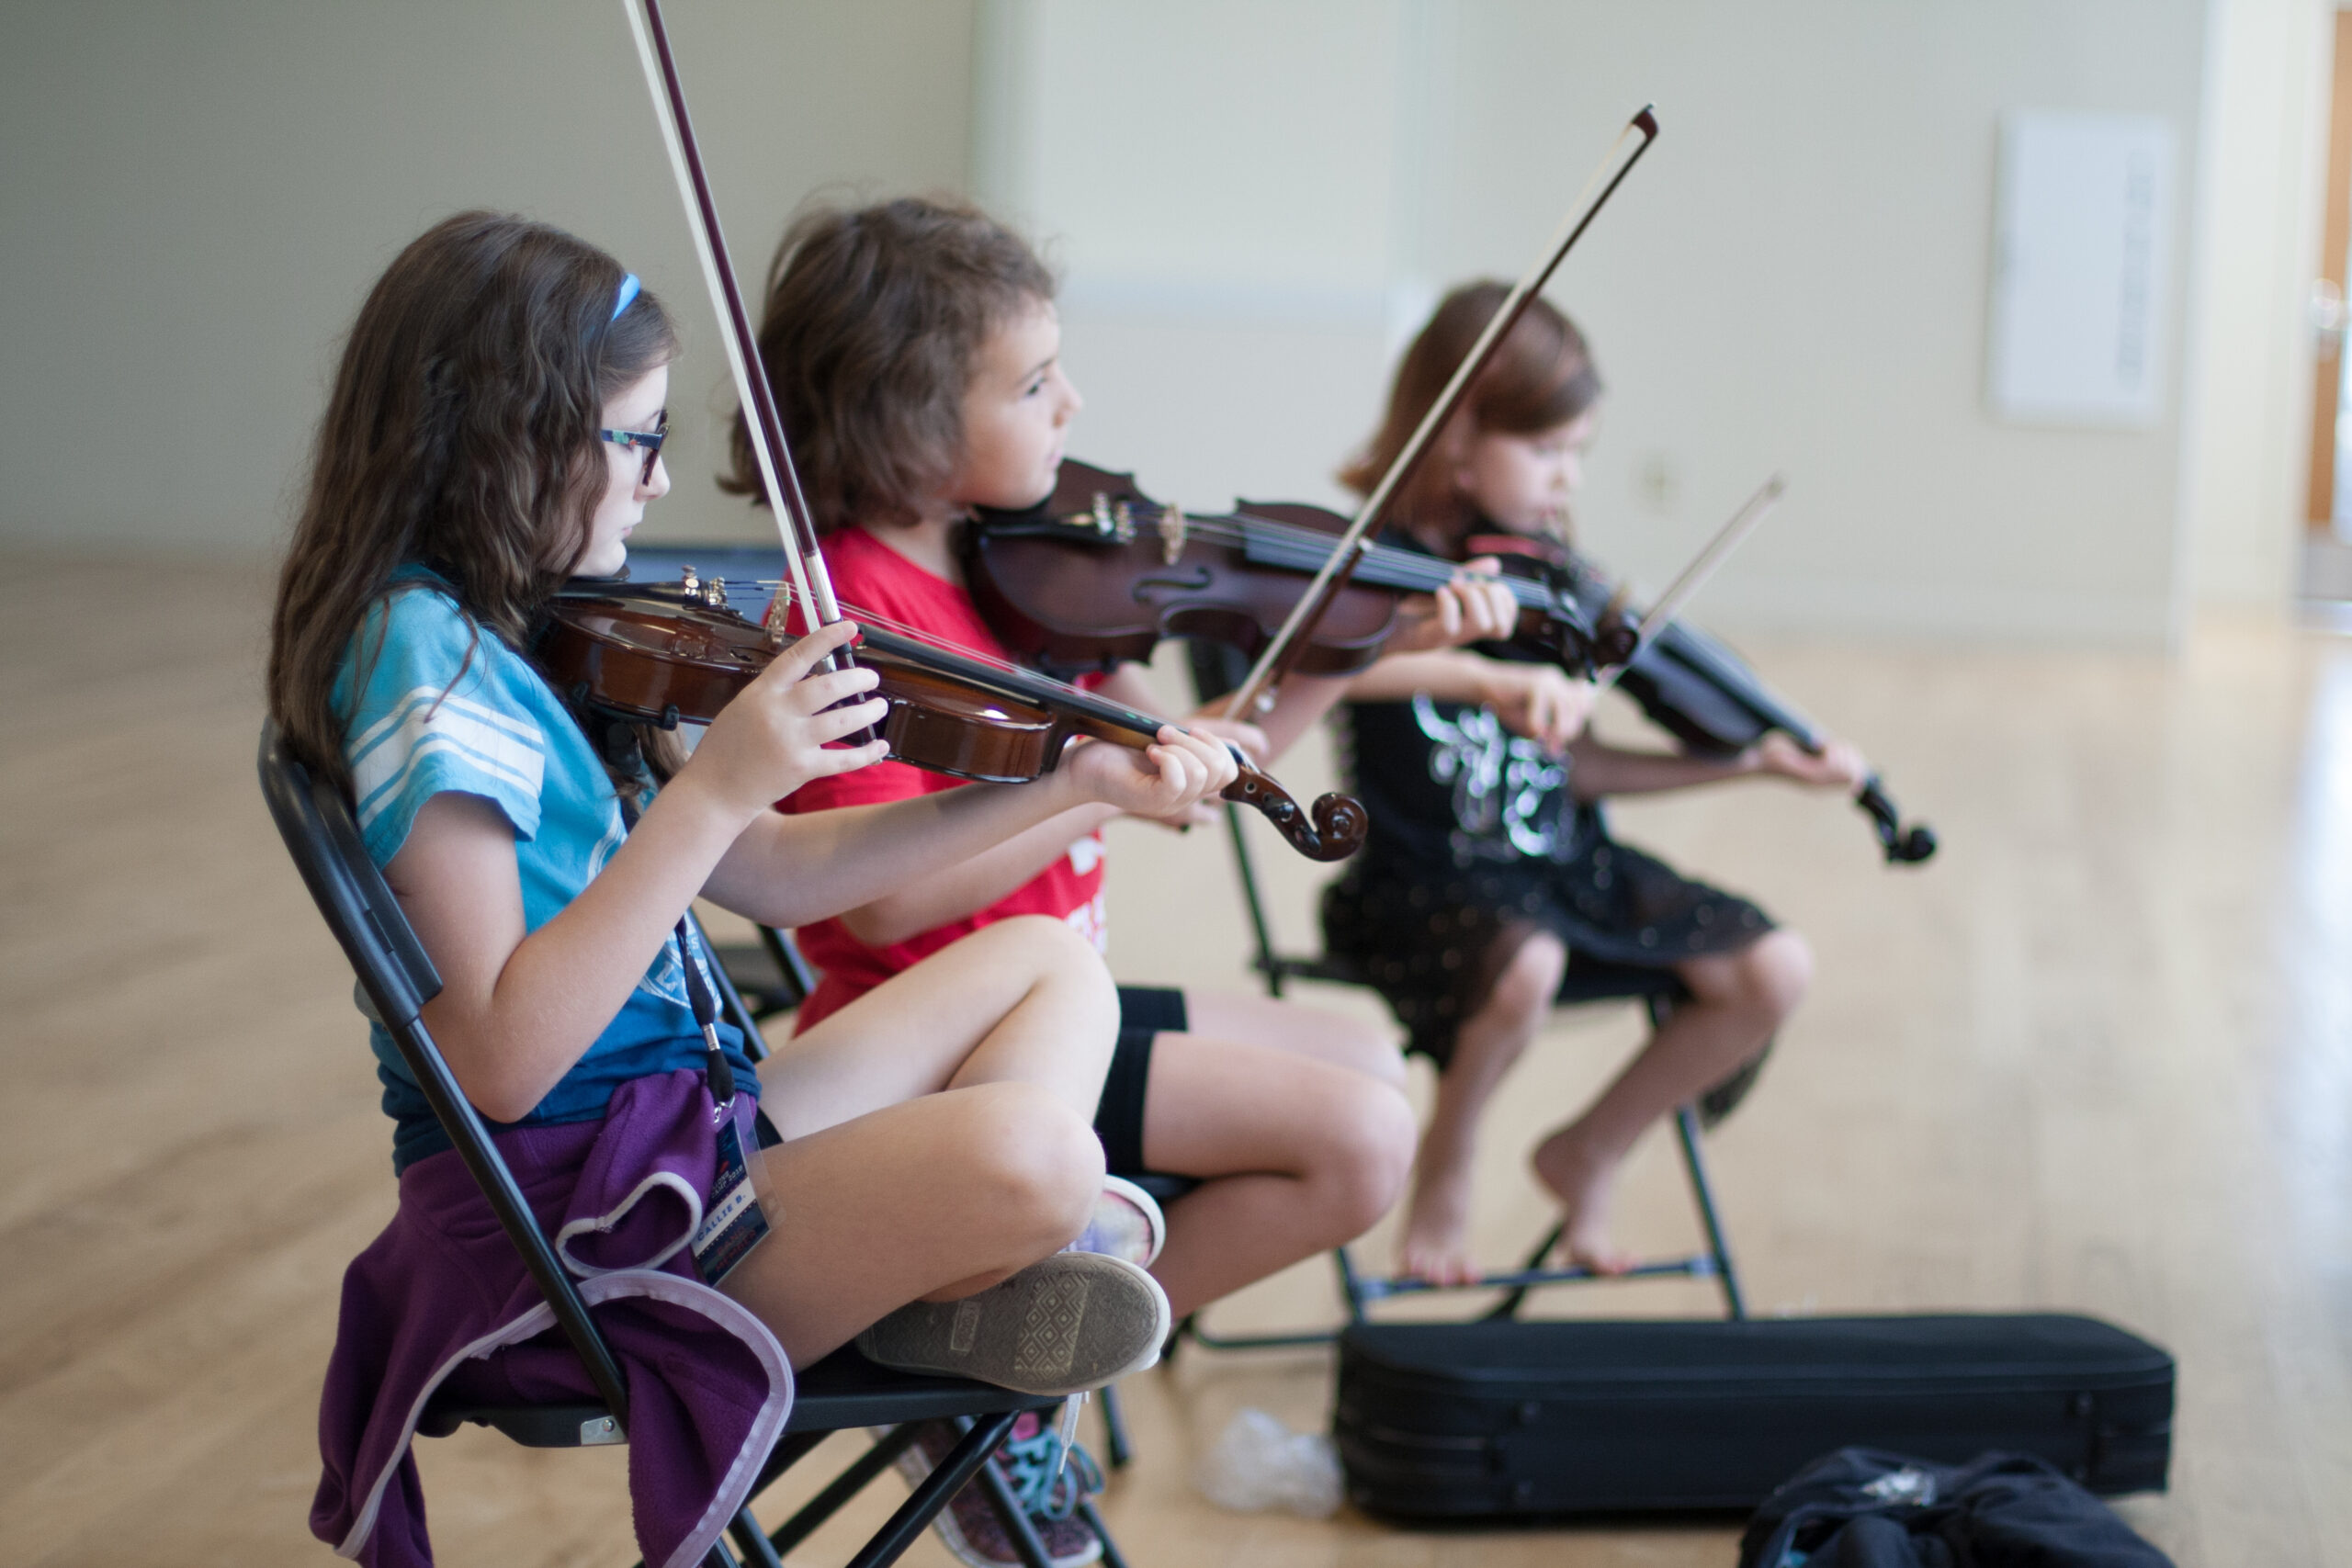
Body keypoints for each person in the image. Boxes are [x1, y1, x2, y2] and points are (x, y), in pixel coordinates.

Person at [271, 212, 1239, 1567]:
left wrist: (1067, 785)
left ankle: (952, 1272)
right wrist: (712, 786)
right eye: (637, 438)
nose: (661, 482)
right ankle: (976, 1255)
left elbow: (783, 878)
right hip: (586, 1223)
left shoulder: (522, 628)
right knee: (1042, 1153)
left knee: (1044, 958)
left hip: (683, 1140)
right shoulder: (419, 662)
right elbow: (496, 1059)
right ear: (514, 434)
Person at [727, 197, 1529, 1564]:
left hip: (1063, 998)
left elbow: (1214, 772)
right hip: (955, 1044)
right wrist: (1081, 781)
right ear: (915, 416)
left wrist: (1355, 638)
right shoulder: (852, 613)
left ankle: (1000, 1344)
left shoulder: (1046, 571)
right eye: (1033, 382)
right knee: (1362, 1141)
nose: (1072, 403)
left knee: (1367, 1064)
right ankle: (1000, 1394)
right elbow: (885, 905)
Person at [1325, 282, 1869, 1286]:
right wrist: (1479, 673)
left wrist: (1748, 762)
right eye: (1545, 452)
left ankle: (1591, 1149)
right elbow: (1323, 671)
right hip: (1423, 884)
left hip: (1562, 870)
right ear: (1454, 433)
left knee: (1770, 970)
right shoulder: (1376, 571)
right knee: (1523, 964)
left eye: (1579, 454)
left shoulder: (1546, 577)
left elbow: (1577, 770)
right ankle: (1449, 1161)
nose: (1566, 482)